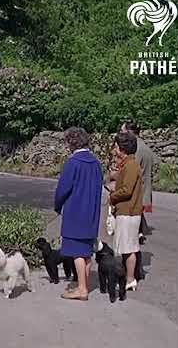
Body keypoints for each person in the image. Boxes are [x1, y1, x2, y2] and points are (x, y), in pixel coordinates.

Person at [54, 127, 103, 301]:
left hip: (76, 211)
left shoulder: (73, 163)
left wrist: (57, 205)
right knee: (86, 251)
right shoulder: (96, 163)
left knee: (77, 252)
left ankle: (82, 289)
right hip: (91, 212)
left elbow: (63, 189)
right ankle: (84, 285)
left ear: (71, 143)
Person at [109, 132, 144, 291]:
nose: (114, 150)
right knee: (127, 246)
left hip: (128, 212)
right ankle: (128, 277)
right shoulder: (129, 164)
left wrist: (112, 196)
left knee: (129, 247)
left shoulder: (131, 166)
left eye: (116, 146)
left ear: (122, 148)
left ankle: (130, 279)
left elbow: (127, 190)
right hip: (128, 211)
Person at [120, 122, 155, 245]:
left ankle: (137, 234)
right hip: (144, 186)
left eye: (123, 131)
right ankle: (139, 231)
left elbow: (132, 170)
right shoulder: (145, 147)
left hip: (137, 188)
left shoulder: (136, 149)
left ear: (129, 132)